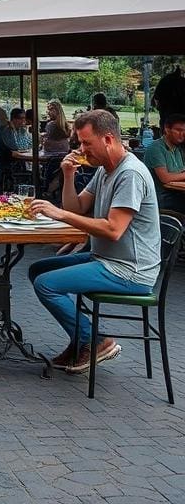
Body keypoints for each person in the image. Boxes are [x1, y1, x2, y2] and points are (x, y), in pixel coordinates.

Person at [28, 110, 161, 373]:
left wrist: (59, 213)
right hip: (107, 260)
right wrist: (68, 175)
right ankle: (82, 340)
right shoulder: (104, 170)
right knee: (38, 270)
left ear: (109, 139)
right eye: (80, 143)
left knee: (47, 284)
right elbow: (76, 207)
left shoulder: (130, 173)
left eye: (87, 143)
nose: (81, 149)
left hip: (130, 270)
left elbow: (113, 229)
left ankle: (94, 340)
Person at [143, 113, 185, 213]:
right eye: (179, 130)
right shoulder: (156, 148)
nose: (182, 134)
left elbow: (180, 172)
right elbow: (165, 178)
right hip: (161, 198)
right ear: (167, 129)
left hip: (176, 194)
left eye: (184, 131)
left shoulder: (177, 149)